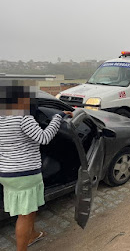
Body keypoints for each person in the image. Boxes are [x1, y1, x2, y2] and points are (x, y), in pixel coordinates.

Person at [0, 82, 73, 251]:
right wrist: (58, 117)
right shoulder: (23, 118)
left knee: (28, 207)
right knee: (24, 215)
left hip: (7, 173)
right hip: (25, 173)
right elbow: (44, 138)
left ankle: (32, 235)